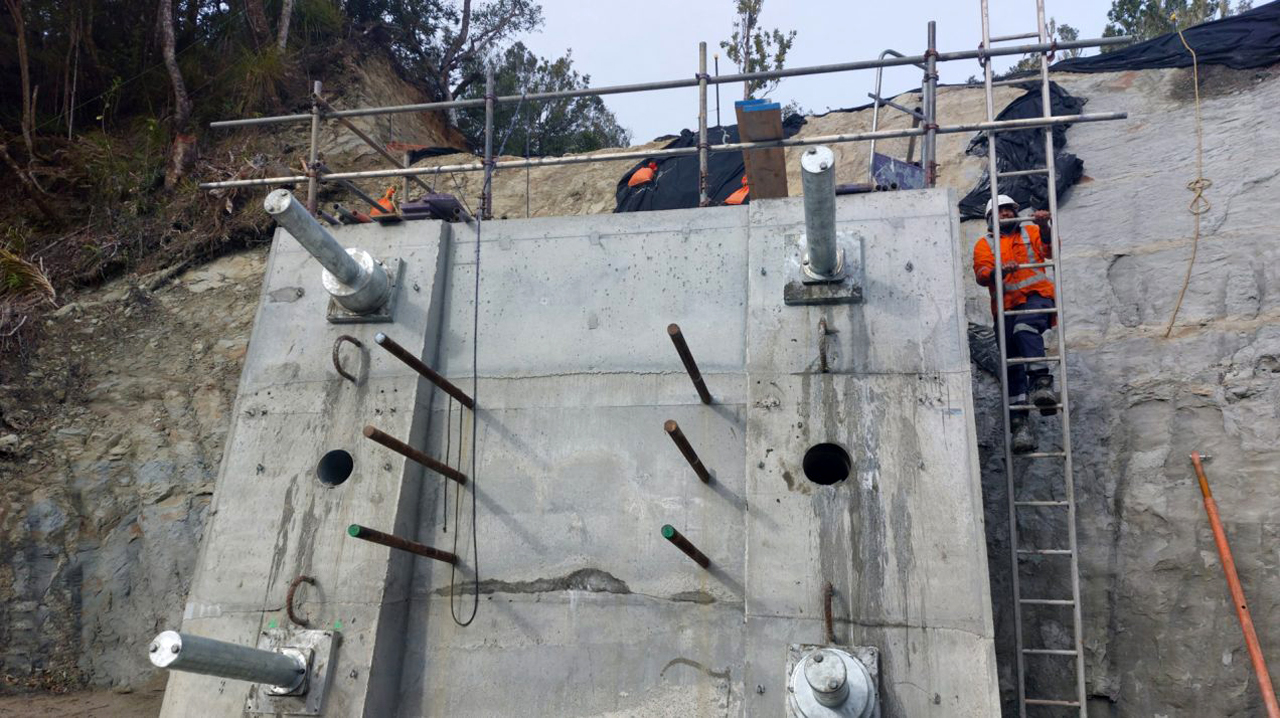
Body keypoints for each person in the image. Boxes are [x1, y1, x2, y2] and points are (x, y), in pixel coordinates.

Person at [973, 194, 1058, 453]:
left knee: (1025, 328)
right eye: (1001, 211)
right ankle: (1020, 425)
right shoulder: (984, 244)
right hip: (1005, 309)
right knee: (1011, 365)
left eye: (1009, 209)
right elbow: (981, 273)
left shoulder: (1030, 231)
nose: (1006, 214)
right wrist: (1000, 270)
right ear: (990, 218)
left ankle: (1042, 384)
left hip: (1036, 297)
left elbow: (1050, 250)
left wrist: (1044, 226)